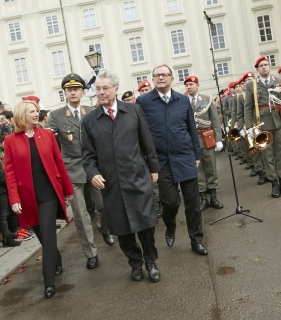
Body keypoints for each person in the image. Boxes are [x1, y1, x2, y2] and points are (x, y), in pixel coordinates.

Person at [82, 71, 161, 282]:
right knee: (122, 228)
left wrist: (153, 169)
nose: (101, 93)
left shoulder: (134, 111)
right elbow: (87, 157)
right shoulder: (90, 120)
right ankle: (135, 264)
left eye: (105, 88)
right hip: (111, 183)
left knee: (146, 224)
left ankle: (151, 261)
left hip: (137, 177)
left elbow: (147, 142)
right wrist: (93, 174)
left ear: (116, 89)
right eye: (98, 89)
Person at [4, 100, 73, 298]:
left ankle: (49, 281)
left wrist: (67, 189)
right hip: (27, 196)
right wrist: (14, 198)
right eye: (32, 111)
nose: (37, 114)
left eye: (37, 111)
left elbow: (59, 163)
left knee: (49, 234)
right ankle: (56, 260)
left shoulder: (48, 135)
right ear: (21, 116)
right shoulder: (10, 140)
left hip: (49, 193)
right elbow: (9, 172)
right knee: (43, 235)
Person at [136, 65, 206, 256]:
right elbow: (139, 132)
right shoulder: (143, 102)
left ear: (171, 78)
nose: (160, 78)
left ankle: (196, 239)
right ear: (152, 79)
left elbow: (191, 128)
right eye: (156, 75)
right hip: (161, 161)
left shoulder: (182, 100)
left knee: (193, 202)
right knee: (170, 203)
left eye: (164, 75)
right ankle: (170, 225)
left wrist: (197, 155)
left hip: (184, 157)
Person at [47, 74, 112, 272]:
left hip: (94, 168)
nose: (73, 92)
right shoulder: (56, 116)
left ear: (83, 92)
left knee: (103, 206)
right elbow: (46, 141)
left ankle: (104, 227)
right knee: (81, 215)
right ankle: (91, 253)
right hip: (71, 170)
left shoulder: (92, 111)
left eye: (77, 89)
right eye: (69, 90)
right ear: (65, 93)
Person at [244, 57, 281, 197]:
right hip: (263, 125)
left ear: (270, 66)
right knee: (268, 155)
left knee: (280, 153)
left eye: (266, 65)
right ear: (257, 69)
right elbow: (248, 107)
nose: (264, 67)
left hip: (279, 122)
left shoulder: (279, 81)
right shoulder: (252, 85)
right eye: (261, 66)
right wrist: (249, 126)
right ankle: (274, 184)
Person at [184, 76, 225, 210]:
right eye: (187, 85)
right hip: (192, 140)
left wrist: (219, 139)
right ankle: (203, 198)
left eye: (191, 84)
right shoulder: (183, 101)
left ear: (197, 85)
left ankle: (213, 196)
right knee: (197, 169)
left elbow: (215, 120)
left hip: (207, 137)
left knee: (211, 167)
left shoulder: (207, 99)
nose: (189, 87)